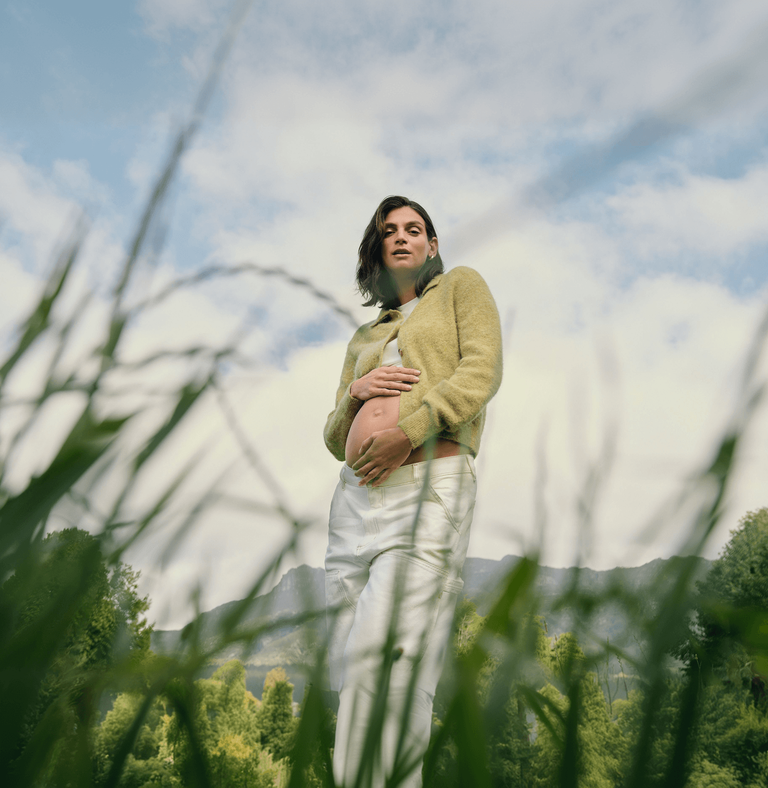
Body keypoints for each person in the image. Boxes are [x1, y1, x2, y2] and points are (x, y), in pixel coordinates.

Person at [323, 195, 503, 787]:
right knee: (353, 667)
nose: (401, 237)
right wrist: (357, 393)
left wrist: (409, 430)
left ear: (431, 245)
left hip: (429, 484)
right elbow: (332, 438)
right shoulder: (364, 334)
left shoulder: (459, 289)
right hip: (353, 501)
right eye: (388, 231)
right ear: (375, 250)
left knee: (389, 662)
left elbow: (482, 371)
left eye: (414, 229)